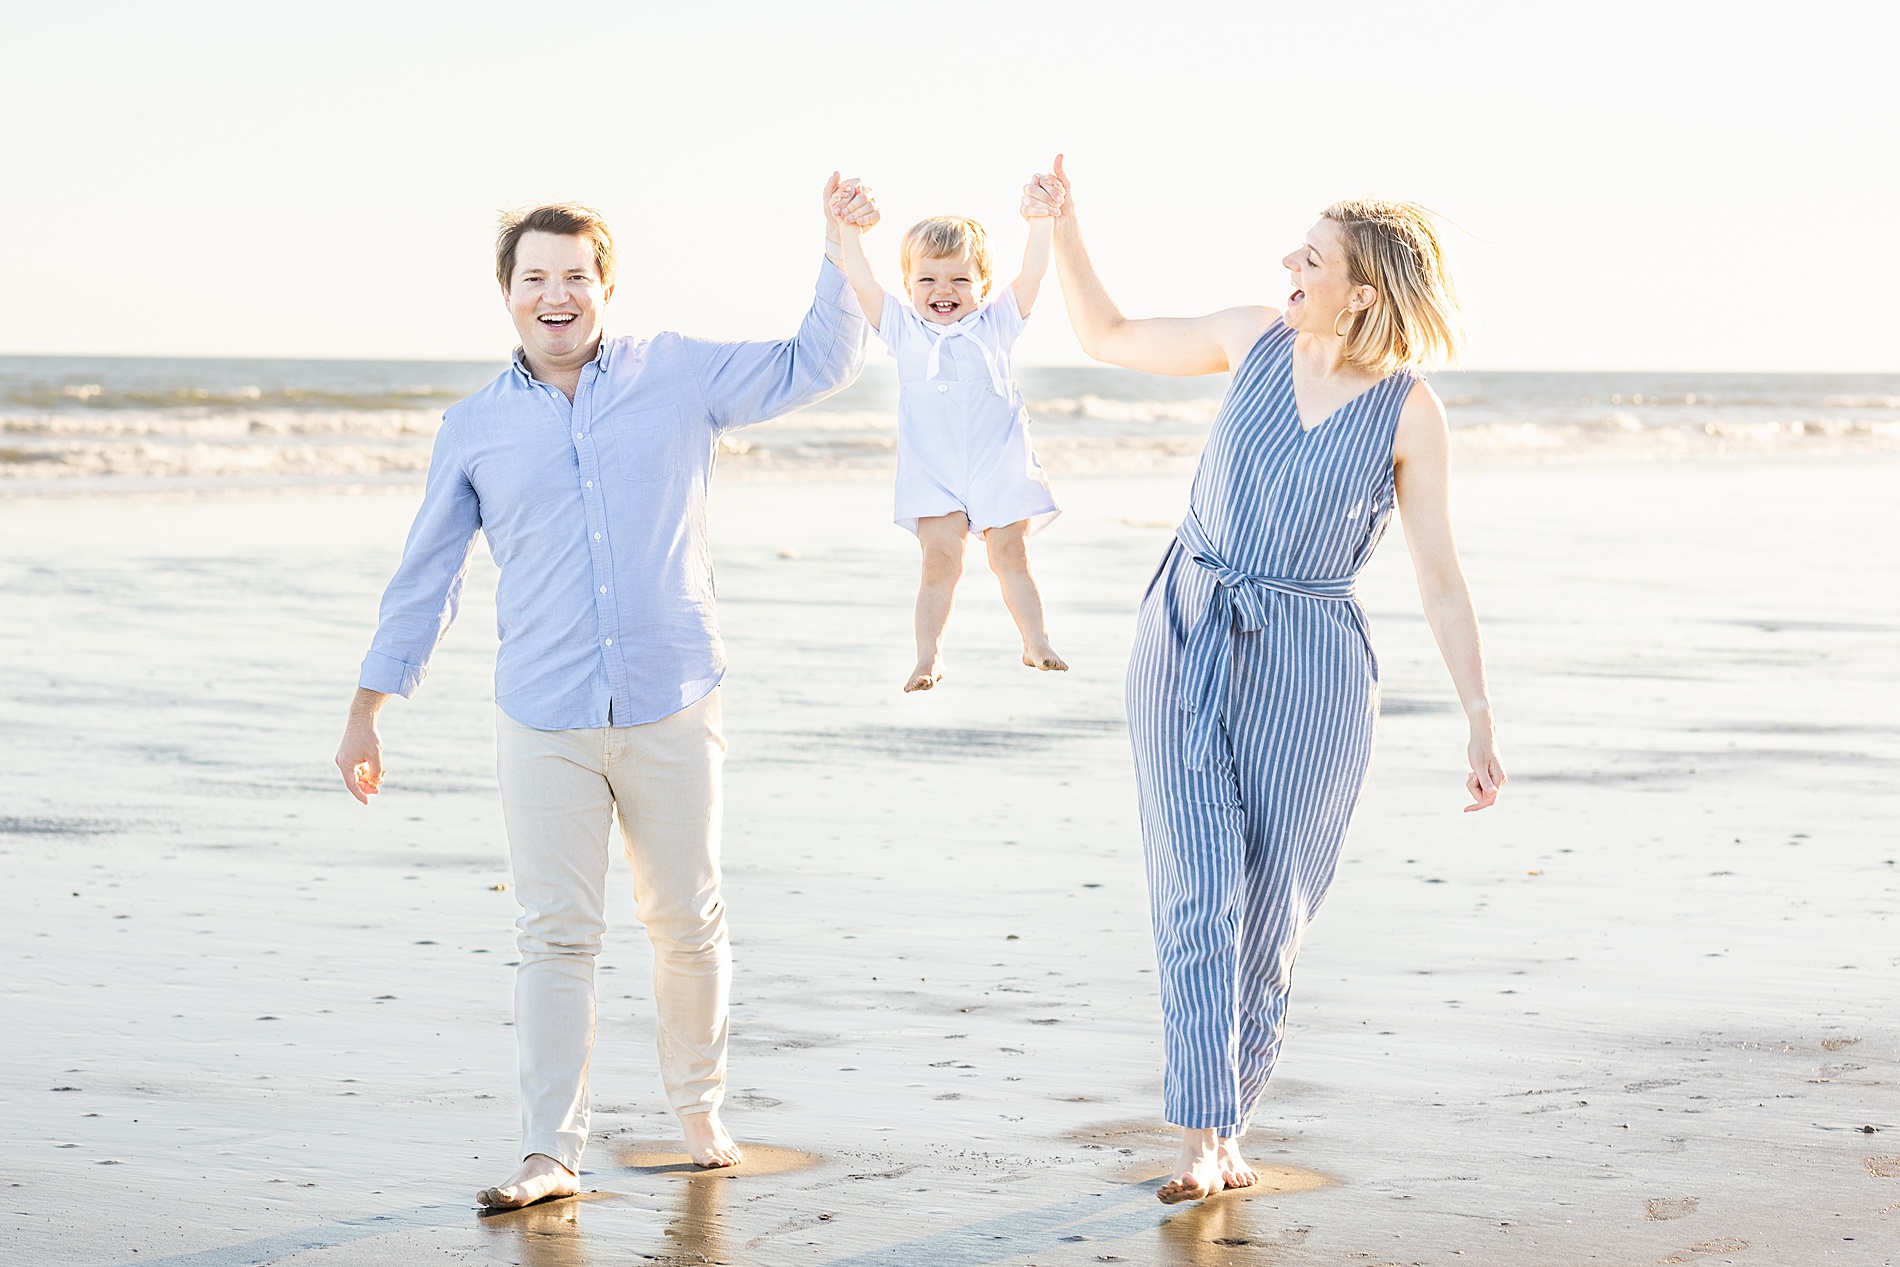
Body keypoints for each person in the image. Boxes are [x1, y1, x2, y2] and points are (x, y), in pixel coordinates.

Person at [332, 178, 879, 1210]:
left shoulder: (676, 375)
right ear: (507, 293)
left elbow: (822, 361)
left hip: (673, 694)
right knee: (555, 931)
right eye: (535, 277)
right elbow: (428, 576)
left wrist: (840, 245)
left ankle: (699, 1110)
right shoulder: (474, 427)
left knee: (685, 915)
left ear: (606, 285)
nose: (557, 294)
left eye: (575, 276)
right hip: (543, 716)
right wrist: (369, 706)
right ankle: (550, 1150)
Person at [1023, 157, 1507, 1203]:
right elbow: (1105, 336)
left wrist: (1477, 718)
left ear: (1362, 292)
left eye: (1312, 257)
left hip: (1314, 664)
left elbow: (1438, 577)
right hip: (1189, 625)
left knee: (1274, 900)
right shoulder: (1249, 338)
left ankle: (1231, 1114)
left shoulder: (1410, 414)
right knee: (1199, 885)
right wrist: (1063, 228)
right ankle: (1199, 1136)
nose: (1287, 263)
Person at [826, 177, 1069, 692]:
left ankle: (1036, 641)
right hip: (933, 471)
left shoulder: (997, 323)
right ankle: (928, 657)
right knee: (940, 561)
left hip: (998, 463)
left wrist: (1041, 220)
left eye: (959, 280)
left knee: (1011, 556)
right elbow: (864, 283)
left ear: (982, 284)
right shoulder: (902, 328)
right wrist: (849, 231)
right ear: (910, 284)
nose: (943, 292)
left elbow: (1032, 272)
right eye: (928, 280)